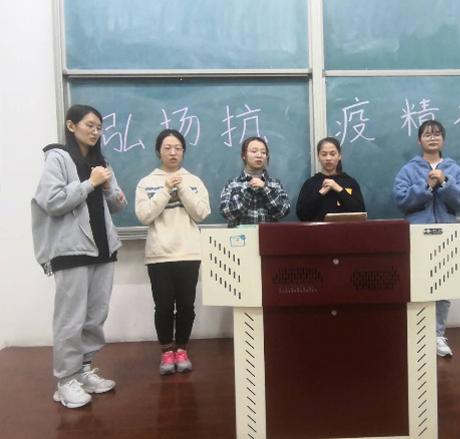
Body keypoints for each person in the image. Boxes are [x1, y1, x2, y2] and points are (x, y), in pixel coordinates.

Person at [31, 104, 127, 408]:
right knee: (70, 319)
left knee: (95, 316)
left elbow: (116, 206)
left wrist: (109, 189)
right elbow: (52, 201)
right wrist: (90, 183)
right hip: (71, 250)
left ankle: (83, 371)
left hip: (103, 248)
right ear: (71, 126)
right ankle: (65, 381)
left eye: (99, 127)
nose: (95, 131)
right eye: (89, 125)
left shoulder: (101, 162)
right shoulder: (58, 157)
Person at [393, 120, 460, 357]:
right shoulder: (408, 170)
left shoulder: (453, 169)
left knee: (443, 287)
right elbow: (401, 200)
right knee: (417, 284)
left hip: (446, 234)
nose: (432, 138)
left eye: (437, 134)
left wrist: (445, 183)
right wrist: (426, 186)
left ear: (443, 140)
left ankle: (438, 335)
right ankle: (417, 334)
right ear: (419, 140)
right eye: (427, 134)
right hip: (418, 235)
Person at [135, 129, 211, 375]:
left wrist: (183, 188)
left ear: (184, 152)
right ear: (159, 151)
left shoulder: (194, 181)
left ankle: (182, 349)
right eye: (167, 148)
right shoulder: (147, 182)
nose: (172, 152)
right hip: (159, 254)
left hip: (189, 253)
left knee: (187, 306)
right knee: (164, 306)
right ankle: (167, 352)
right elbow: (144, 215)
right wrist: (166, 189)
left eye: (178, 148)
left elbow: (201, 213)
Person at [220, 136, 290, 227]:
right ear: (243, 155)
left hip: (267, 235)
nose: (259, 155)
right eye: (254, 151)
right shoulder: (232, 184)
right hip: (240, 236)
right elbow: (226, 213)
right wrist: (249, 190)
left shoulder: (275, 184)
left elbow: (283, 212)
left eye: (263, 152)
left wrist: (265, 189)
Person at [296, 137, 365, 221]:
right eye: (324, 154)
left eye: (332, 154)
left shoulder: (350, 182)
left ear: (339, 156)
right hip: (318, 229)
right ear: (318, 157)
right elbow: (302, 215)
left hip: (344, 229)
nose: (328, 158)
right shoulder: (310, 184)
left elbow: (360, 212)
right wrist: (320, 193)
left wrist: (338, 189)